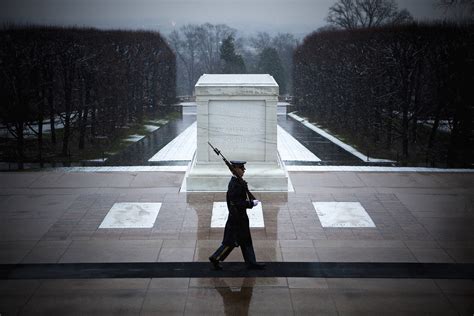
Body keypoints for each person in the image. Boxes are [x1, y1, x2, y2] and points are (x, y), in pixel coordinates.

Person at [209, 160, 266, 270]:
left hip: (240, 218)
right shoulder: (235, 184)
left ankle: (251, 262)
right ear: (235, 169)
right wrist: (250, 203)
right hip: (236, 219)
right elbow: (236, 202)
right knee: (230, 242)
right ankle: (215, 257)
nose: (244, 170)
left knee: (246, 241)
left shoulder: (238, 182)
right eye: (241, 168)